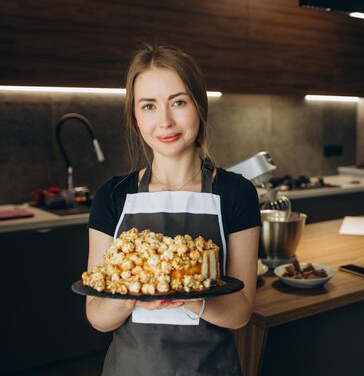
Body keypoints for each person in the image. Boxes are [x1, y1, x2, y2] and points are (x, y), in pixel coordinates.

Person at [85, 42, 261, 375]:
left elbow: (239, 314)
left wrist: (188, 293)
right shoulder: (112, 196)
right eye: (148, 106)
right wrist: (128, 296)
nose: (165, 121)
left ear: (199, 107)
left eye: (178, 102)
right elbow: (96, 315)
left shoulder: (237, 193)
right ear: (135, 118)